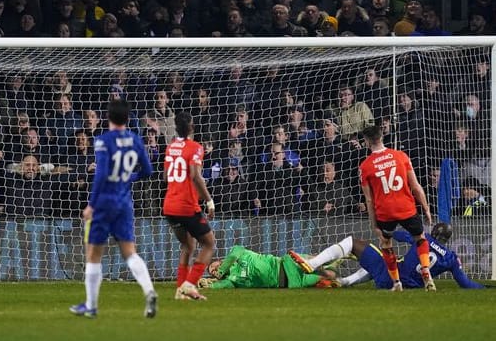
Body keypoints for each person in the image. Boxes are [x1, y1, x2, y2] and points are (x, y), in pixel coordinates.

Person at [70, 100, 157, 319]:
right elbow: (148, 171)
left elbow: (100, 175)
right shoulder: (136, 140)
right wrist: (128, 178)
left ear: (108, 117)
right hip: (125, 202)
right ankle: (149, 290)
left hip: (105, 203)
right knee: (130, 252)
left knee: (93, 254)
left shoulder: (102, 141)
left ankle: (91, 305)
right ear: (127, 119)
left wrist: (91, 204)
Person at [289, 224, 485, 290]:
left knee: (353, 243)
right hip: (403, 285)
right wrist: (485, 288)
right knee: (377, 262)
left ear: (433, 231)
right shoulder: (451, 257)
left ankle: (311, 263)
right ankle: (342, 281)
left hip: (393, 276)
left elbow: (399, 235)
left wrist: (390, 231)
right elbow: (465, 283)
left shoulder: (423, 238)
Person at [358, 125, 435, 291]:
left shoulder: (365, 166)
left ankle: (397, 283)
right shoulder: (401, 156)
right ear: (382, 137)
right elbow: (415, 186)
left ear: (366, 142)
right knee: (420, 237)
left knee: (386, 243)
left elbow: (369, 200)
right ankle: (426, 271)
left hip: (385, 213)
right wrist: (426, 208)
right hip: (406, 208)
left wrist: (375, 225)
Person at [163, 112, 216, 301]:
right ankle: (190, 283)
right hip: (186, 206)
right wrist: (208, 200)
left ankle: (180, 290)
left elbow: (165, 176)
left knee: (188, 245)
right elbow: (195, 175)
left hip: (169, 205)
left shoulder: (170, 148)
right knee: (209, 243)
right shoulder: (195, 148)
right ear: (192, 127)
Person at [201, 245, 337, 289]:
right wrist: (207, 285)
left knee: (315, 259)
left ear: (220, 261)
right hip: (289, 283)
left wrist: (221, 270)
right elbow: (220, 286)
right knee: (330, 275)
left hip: (286, 264)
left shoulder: (237, 252)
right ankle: (333, 265)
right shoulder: (232, 280)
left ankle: (338, 255)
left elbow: (234, 254)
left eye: (214, 266)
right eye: (212, 271)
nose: (214, 271)